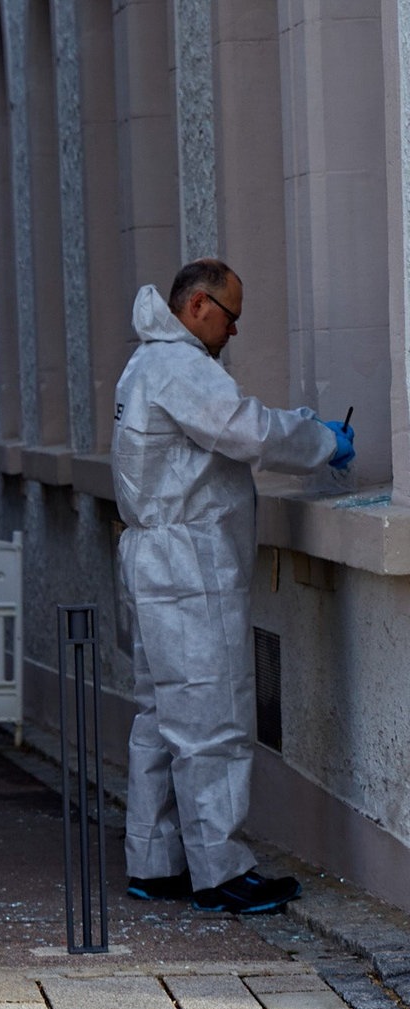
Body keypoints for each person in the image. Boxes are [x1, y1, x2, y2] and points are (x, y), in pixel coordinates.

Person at [112, 258, 354, 915]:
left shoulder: (144, 366)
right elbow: (246, 429)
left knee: (162, 717)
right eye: (231, 315)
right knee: (210, 717)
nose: (236, 331)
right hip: (188, 566)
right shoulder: (182, 368)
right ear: (197, 307)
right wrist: (320, 440)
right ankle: (220, 872)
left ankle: (155, 862)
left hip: (152, 558)